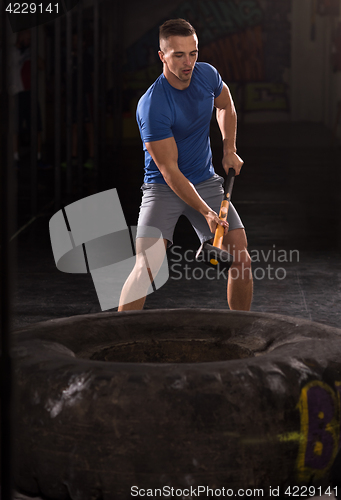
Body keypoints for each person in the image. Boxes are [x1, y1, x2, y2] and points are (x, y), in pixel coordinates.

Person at [118, 18, 253, 311]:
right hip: (164, 186)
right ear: (162, 56)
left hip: (205, 180)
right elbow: (169, 170)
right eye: (178, 55)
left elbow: (225, 105)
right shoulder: (153, 105)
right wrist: (206, 212)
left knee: (241, 260)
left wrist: (229, 148)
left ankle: (240, 335)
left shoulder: (206, 75)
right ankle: (113, 344)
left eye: (193, 53)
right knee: (147, 268)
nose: (188, 62)